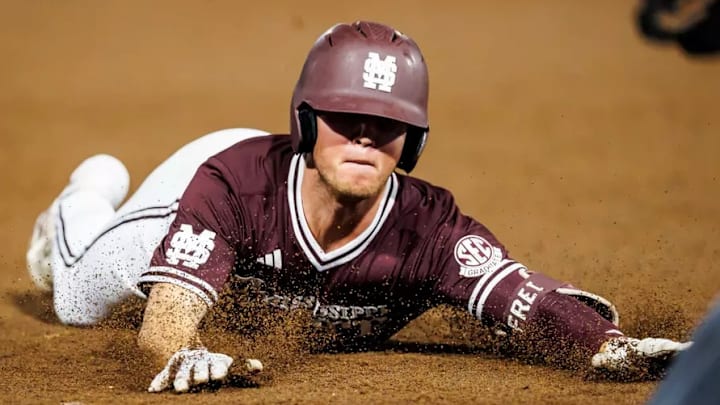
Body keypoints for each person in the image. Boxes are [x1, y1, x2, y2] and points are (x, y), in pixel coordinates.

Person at [26, 20, 691, 394]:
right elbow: (165, 327)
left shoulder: (428, 227)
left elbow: (521, 298)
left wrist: (606, 345)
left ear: (414, 137)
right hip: (195, 188)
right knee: (79, 295)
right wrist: (183, 350)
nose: (367, 136)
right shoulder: (232, 189)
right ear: (309, 121)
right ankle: (88, 192)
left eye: (387, 122)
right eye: (346, 117)